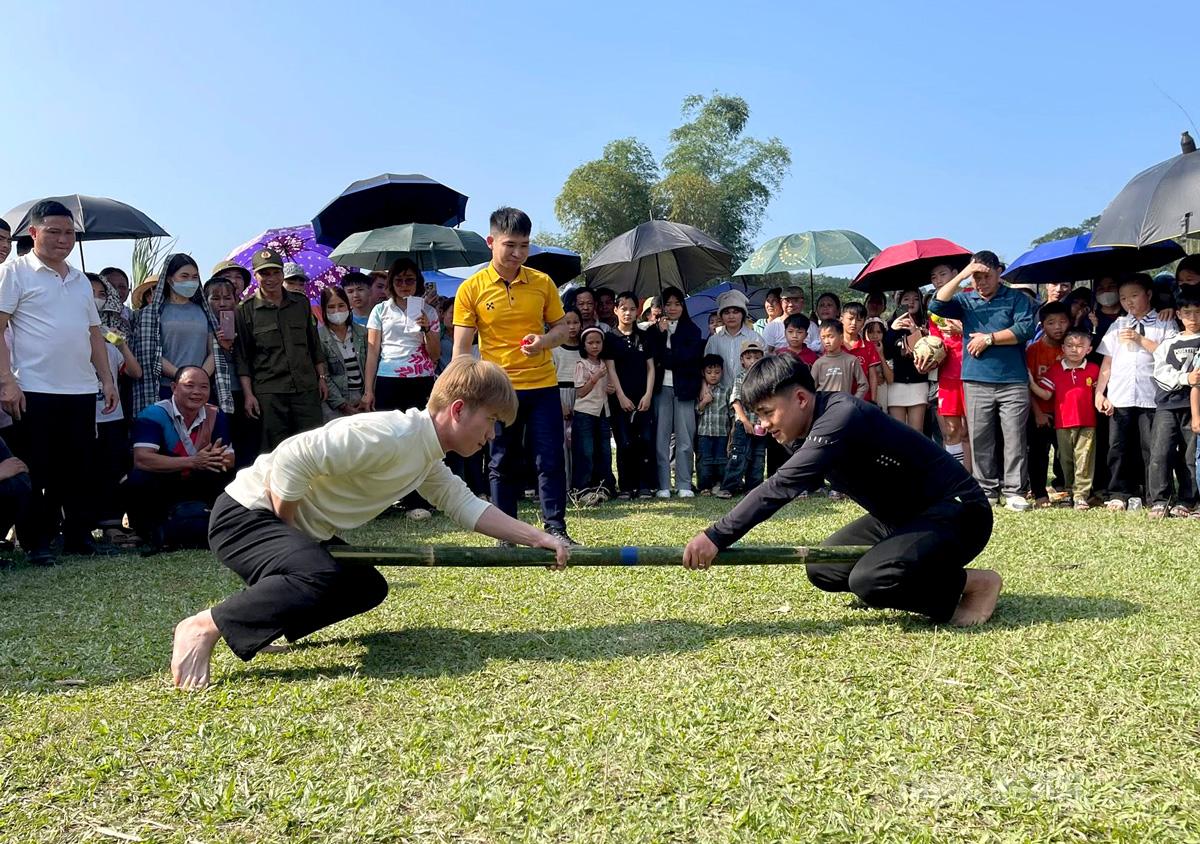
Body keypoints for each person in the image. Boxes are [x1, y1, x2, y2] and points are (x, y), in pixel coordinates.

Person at [170, 358, 570, 690]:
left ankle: (266, 621)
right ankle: (204, 625)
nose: (493, 434)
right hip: (243, 516)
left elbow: (466, 505)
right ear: (459, 409)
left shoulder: (426, 456)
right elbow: (294, 455)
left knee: (365, 587)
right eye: (491, 420)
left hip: (278, 528)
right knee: (319, 573)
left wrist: (538, 537)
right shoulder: (393, 434)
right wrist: (288, 530)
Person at [682, 355, 1001, 627]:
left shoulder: (840, 418)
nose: (762, 425)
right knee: (823, 566)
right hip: (902, 517)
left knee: (872, 580)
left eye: (767, 412)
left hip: (958, 513)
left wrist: (715, 535)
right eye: (758, 416)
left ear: (801, 399)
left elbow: (779, 487)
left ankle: (975, 584)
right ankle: (898, 577)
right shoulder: (802, 431)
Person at [0, 199, 118, 563]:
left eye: (69, 233)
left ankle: (78, 536)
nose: (62, 239)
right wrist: (6, 380)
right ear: (33, 232)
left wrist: (107, 379)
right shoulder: (14, 272)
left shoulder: (81, 278)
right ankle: (36, 542)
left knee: (78, 467)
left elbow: (94, 334)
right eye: (53, 232)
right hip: (33, 387)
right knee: (39, 467)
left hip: (81, 388)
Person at [452, 207, 576, 545]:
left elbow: (562, 329)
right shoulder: (471, 289)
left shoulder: (542, 283)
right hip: (497, 391)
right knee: (501, 461)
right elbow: (462, 350)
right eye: (510, 245)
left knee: (549, 458)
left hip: (543, 387)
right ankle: (506, 536)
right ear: (491, 242)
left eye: (524, 245)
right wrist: (464, 396)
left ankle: (556, 529)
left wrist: (544, 342)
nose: (518, 253)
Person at [930, 252, 1038, 511]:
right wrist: (962, 276)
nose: (981, 282)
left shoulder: (1016, 298)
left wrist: (989, 338)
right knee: (980, 438)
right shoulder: (966, 301)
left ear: (999, 271)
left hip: (1012, 380)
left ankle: (1014, 491)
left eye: (986, 276)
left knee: (1014, 437)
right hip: (976, 379)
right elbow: (936, 305)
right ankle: (987, 490)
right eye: (976, 277)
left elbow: (1025, 329)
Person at [124, 367, 234, 548]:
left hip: (199, 478)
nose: (197, 392)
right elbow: (142, 459)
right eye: (189, 386)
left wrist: (211, 461)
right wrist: (194, 461)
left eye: (204, 387)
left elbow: (229, 459)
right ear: (174, 387)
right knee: (139, 478)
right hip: (166, 480)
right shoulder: (153, 414)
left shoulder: (215, 414)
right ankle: (146, 531)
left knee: (230, 476)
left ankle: (218, 526)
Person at [235, 248, 328, 452]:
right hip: (270, 393)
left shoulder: (301, 303)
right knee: (275, 451)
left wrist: (321, 378)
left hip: (306, 389)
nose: (271, 279)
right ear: (256, 276)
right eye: (264, 273)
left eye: (276, 272)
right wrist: (249, 395)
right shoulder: (245, 310)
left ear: (282, 274)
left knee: (313, 446)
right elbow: (243, 358)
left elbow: (314, 345)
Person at [1094, 274, 1175, 510]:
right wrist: (1100, 392)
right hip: (1120, 395)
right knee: (1118, 446)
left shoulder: (1163, 322)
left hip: (1151, 395)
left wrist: (1140, 339)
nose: (1128, 302)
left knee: (1152, 448)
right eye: (1123, 298)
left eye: (1134, 296)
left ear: (1148, 295)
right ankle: (1118, 492)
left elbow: (1169, 356)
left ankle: (1155, 495)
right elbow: (1107, 363)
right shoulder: (1118, 324)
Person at [131, 253, 234, 416]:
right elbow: (150, 354)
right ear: (170, 279)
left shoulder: (204, 311)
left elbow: (214, 350)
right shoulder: (151, 314)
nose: (190, 281)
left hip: (201, 390)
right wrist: (182, 377)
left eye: (194, 277)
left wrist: (198, 379)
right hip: (165, 388)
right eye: (184, 276)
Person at [89, 275, 142, 544]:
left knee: (112, 470)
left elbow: (134, 372)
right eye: (90, 292)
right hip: (81, 415)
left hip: (112, 415)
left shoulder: (109, 335)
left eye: (101, 293)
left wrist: (121, 344)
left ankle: (111, 525)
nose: (96, 297)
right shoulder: (62, 332)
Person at [1029, 329, 1099, 509]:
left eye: (1079, 346)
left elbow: (1100, 392)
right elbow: (1045, 395)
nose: (1074, 350)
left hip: (1087, 423)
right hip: (1062, 423)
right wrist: (1030, 382)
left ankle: (1081, 494)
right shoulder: (1055, 370)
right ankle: (1069, 491)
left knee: (1084, 458)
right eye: (1070, 346)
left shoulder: (1093, 370)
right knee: (1065, 459)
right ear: (1063, 348)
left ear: (1089, 350)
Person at [646, 286, 704, 498]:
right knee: (661, 438)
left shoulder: (692, 330)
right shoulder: (653, 331)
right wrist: (661, 336)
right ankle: (663, 484)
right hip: (661, 389)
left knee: (686, 438)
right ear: (661, 307)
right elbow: (654, 358)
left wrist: (669, 351)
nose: (672, 308)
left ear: (683, 306)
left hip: (685, 389)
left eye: (677, 304)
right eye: (667, 304)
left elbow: (687, 359)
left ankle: (684, 483)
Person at [1148, 288, 1200, 517]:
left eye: (1198, 312)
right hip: (1168, 405)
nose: (1193, 318)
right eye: (1188, 313)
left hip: (1195, 408)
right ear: (1178, 314)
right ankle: (1160, 499)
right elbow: (1160, 373)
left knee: (1191, 457)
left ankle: (1188, 500)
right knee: (1160, 453)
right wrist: (1184, 378)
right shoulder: (1169, 342)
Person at [604, 291, 656, 499]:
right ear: (616, 310)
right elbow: (611, 369)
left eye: (632, 309)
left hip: (643, 396)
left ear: (638, 311)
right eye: (623, 308)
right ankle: (626, 486)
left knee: (644, 440)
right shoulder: (609, 338)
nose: (628, 313)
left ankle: (644, 485)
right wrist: (620, 395)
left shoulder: (644, 336)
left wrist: (648, 394)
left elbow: (651, 367)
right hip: (620, 399)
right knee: (623, 441)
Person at [1025, 302, 1069, 506]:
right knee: (1038, 454)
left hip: (1066, 412)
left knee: (1065, 453)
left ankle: (1064, 488)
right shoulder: (1033, 350)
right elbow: (1028, 383)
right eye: (1051, 322)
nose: (1058, 327)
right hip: (1041, 412)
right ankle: (1039, 492)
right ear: (1042, 325)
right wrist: (1038, 413)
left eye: (1062, 321)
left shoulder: (1072, 347)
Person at [716, 340, 768, 498]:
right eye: (749, 357)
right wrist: (745, 421)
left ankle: (753, 488)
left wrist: (765, 421)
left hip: (761, 425)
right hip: (742, 424)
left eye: (757, 357)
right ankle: (728, 487)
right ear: (742, 360)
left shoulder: (766, 379)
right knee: (738, 455)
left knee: (758, 458)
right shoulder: (740, 378)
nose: (753, 361)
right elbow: (735, 402)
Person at [571, 326, 615, 503]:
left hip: (603, 411)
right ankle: (581, 489)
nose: (595, 346)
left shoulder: (605, 363)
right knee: (585, 451)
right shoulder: (581, 364)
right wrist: (595, 378)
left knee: (603, 450)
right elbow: (580, 392)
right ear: (584, 345)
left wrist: (610, 388)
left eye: (598, 342)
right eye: (590, 343)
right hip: (585, 412)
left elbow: (608, 386)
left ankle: (603, 487)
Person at [883, 288, 931, 432]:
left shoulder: (926, 325)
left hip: (919, 382)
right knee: (899, 432)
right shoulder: (889, 325)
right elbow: (885, 353)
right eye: (906, 299)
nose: (911, 302)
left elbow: (927, 353)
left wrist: (915, 332)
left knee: (917, 432)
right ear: (899, 303)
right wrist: (892, 330)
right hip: (896, 384)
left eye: (916, 298)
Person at [318, 286, 367, 423]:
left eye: (341, 306)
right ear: (324, 310)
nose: (337, 311)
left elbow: (371, 367)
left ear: (348, 306)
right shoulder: (319, 338)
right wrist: (342, 404)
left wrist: (368, 395)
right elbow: (324, 375)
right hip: (334, 403)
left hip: (363, 398)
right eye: (331, 307)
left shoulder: (363, 333)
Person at [704, 290, 763, 388]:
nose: (731, 316)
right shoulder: (714, 341)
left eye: (735, 312)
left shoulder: (755, 338)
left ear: (743, 314)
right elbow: (707, 367)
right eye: (726, 313)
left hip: (748, 391)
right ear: (721, 316)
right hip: (719, 394)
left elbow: (763, 368)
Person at [551, 308, 582, 486]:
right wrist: (561, 403)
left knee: (578, 443)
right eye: (567, 323)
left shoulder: (585, 347)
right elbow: (550, 377)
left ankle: (579, 484)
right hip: (560, 395)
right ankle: (564, 484)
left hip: (582, 395)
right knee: (561, 444)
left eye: (575, 322)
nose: (571, 327)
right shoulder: (554, 349)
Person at [695, 354, 732, 494]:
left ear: (722, 372)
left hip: (722, 432)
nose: (713, 376)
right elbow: (697, 411)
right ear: (703, 373)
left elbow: (730, 412)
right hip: (704, 432)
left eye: (717, 372)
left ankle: (718, 483)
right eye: (709, 372)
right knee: (704, 460)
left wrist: (731, 431)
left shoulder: (726, 390)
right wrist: (704, 402)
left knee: (721, 460)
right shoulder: (701, 391)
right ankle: (704, 486)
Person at [812, 319, 868, 398]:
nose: (826, 341)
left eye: (830, 336)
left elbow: (863, 385)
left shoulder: (851, 360)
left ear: (841, 338)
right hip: (823, 406)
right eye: (823, 337)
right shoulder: (818, 363)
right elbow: (810, 389)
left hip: (844, 405)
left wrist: (854, 401)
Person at [840, 303, 881, 402]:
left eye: (859, 320)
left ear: (863, 323)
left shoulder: (868, 347)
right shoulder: (834, 345)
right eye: (850, 318)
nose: (854, 323)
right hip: (839, 400)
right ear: (841, 319)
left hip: (863, 400)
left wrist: (873, 401)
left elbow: (873, 376)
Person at [762, 286, 819, 352]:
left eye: (796, 300)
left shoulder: (812, 326)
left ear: (802, 303)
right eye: (787, 301)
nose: (791, 304)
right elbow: (766, 353)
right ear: (781, 302)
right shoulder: (772, 326)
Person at [864, 317, 894, 410]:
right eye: (871, 332)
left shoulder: (887, 353)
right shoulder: (861, 352)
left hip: (882, 394)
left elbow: (890, 379)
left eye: (879, 332)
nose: (875, 336)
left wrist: (881, 355)